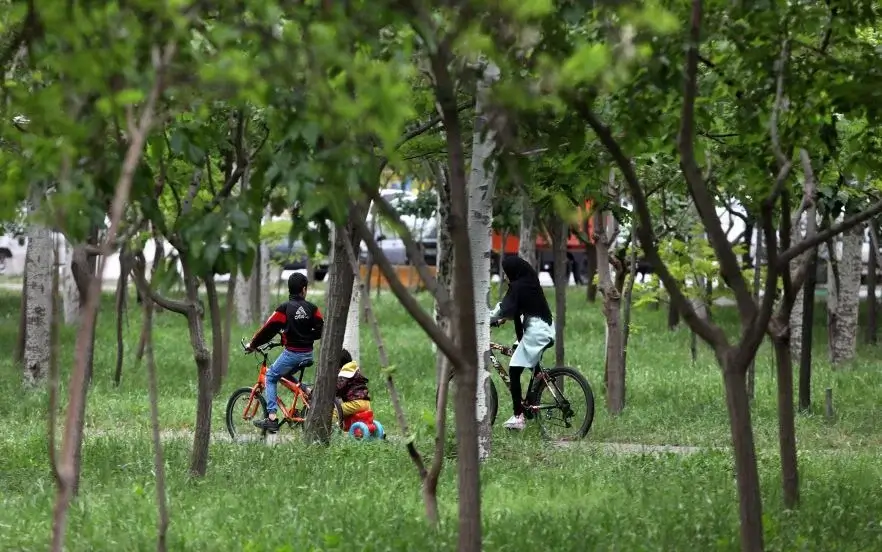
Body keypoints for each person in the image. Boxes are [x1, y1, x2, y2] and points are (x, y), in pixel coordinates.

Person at [246, 272, 323, 433]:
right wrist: (306, 336)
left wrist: (253, 344)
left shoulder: (284, 309)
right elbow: (321, 330)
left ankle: (272, 417)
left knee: (271, 376)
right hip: (308, 354)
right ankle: (308, 392)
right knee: (285, 373)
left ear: (290, 289)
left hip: (292, 354)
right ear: (304, 289)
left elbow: (268, 329)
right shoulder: (313, 308)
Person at [489, 255, 555, 430]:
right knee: (517, 349)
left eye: (506, 272)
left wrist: (485, 318)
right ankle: (534, 390)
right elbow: (517, 309)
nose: (505, 276)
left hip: (536, 332)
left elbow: (504, 308)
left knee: (514, 369)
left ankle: (518, 416)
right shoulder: (529, 282)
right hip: (544, 329)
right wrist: (502, 319)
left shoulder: (518, 287)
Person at [336, 349, 371, 419]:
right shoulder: (354, 370)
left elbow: (338, 389)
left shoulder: (345, 372)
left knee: (333, 411)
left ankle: (333, 429)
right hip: (366, 403)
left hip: (356, 403)